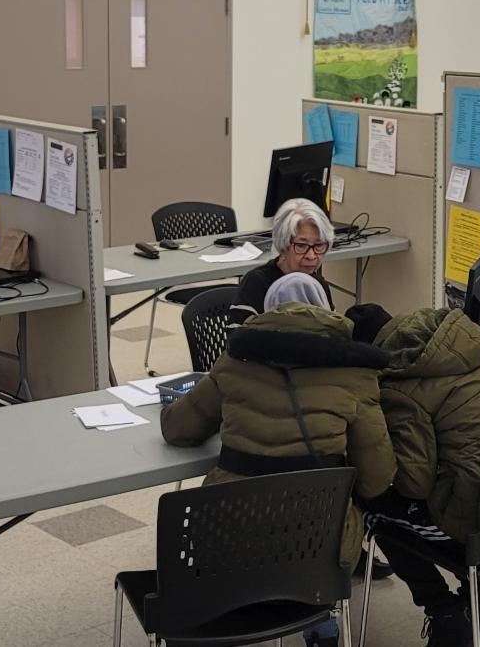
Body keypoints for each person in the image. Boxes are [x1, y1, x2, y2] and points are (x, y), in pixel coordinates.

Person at [161, 272, 395, 647]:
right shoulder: (356, 373)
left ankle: (221, 611)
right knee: (326, 524)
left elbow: (178, 430)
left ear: (267, 312)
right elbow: (377, 478)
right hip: (320, 548)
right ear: (327, 311)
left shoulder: (235, 360)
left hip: (227, 541)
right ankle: (322, 625)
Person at [347, 303, 480, 647]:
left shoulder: (396, 383)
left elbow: (413, 483)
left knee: (375, 507)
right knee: (467, 477)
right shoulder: (471, 338)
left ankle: (444, 612)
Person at [228, 197, 335, 328]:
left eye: (319, 245)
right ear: (283, 246)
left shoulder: (318, 285)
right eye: (301, 246)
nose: (311, 256)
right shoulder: (256, 283)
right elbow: (238, 338)